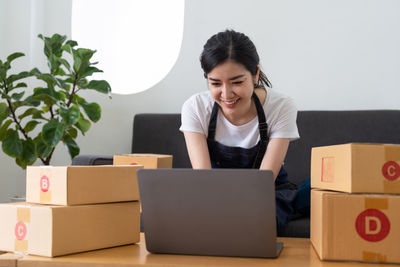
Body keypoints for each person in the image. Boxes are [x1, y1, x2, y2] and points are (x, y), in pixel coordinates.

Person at [179, 29, 301, 234]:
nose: (226, 94)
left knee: (260, 222)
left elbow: (265, 180)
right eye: (215, 83)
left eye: (236, 82)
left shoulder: (281, 106)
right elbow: (204, 179)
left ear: (256, 74)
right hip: (213, 191)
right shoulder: (195, 108)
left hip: (266, 191)